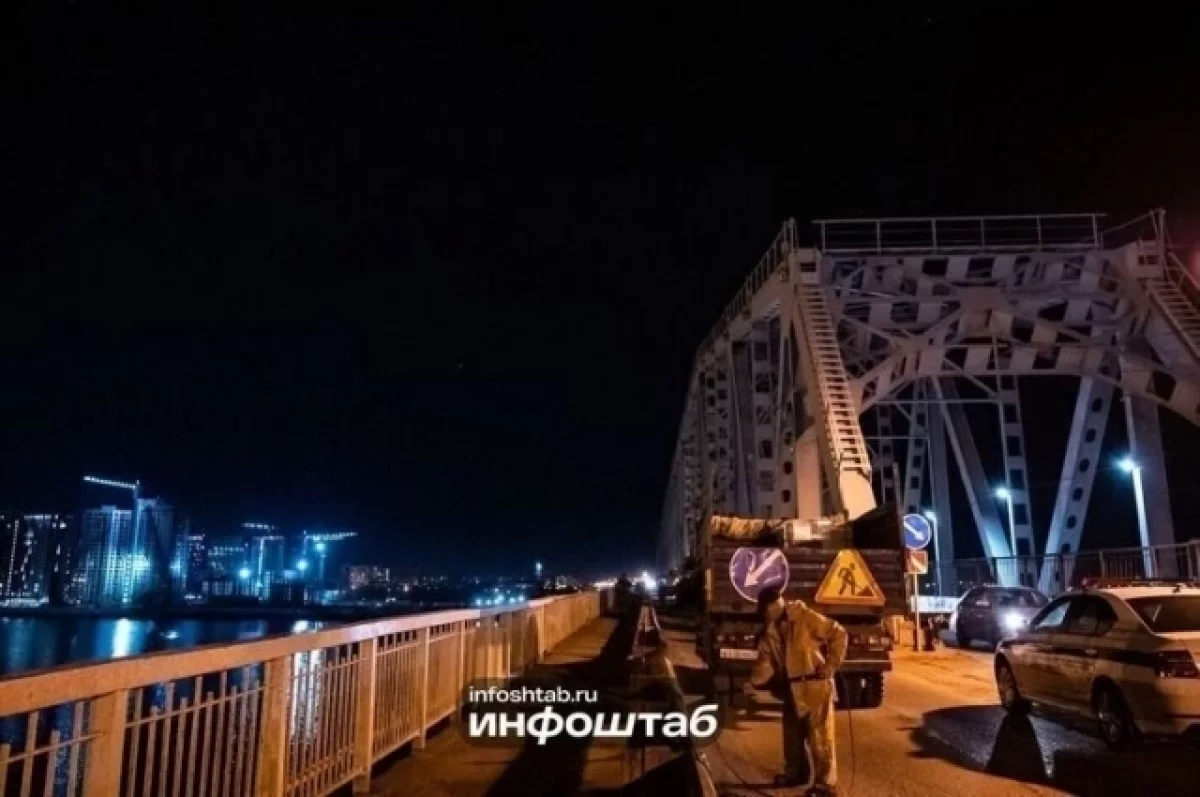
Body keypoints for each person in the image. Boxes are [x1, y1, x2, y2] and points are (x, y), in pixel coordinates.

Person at [745, 588, 848, 796]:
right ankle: (795, 773)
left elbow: (839, 634)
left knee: (820, 738)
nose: (765, 614)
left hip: (815, 687)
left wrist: (830, 666)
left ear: (776, 603)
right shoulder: (771, 630)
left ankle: (825, 786)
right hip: (792, 689)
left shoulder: (805, 617)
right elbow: (766, 662)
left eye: (766, 609)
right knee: (792, 736)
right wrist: (752, 682)